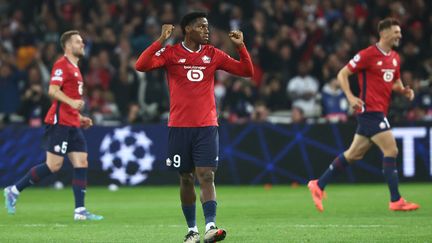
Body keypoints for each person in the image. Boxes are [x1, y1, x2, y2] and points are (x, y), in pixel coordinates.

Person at [135, 12, 253, 243]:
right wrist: (160, 40)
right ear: (188, 29)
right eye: (201, 26)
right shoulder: (170, 54)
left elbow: (246, 71)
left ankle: (210, 226)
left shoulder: (213, 54)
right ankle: (192, 231)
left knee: (206, 175)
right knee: (186, 178)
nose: (206, 30)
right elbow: (141, 65)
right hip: (179, 127)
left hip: (206, 126)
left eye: (207, 26)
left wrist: (241, 47)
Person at [307, 18, 420, 212]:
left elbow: (394, 81)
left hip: (379, 110)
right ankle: (396, 200)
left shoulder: (395, 58)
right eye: (396, 32)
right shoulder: (367, 54)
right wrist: (350, 97)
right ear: (383, 33)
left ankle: (318, 184)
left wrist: (404, 90)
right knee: (391, 150)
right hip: (369, 111)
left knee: (353, 154)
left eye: (400, 32)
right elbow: (342, 74)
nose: (400, 35)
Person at [3, 30, 103, 221]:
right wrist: (73, 104)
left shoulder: (76, 68)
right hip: (59, 123)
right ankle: (13, 190)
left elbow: (69, 99)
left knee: (81, 162)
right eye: (78, 42)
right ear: (67, 46)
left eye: (82, 41)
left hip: (72, 122)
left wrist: (80, 116)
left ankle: (80, 211)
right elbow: (52, 90)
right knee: (53, 166)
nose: (82, 44)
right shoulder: (61, 65)